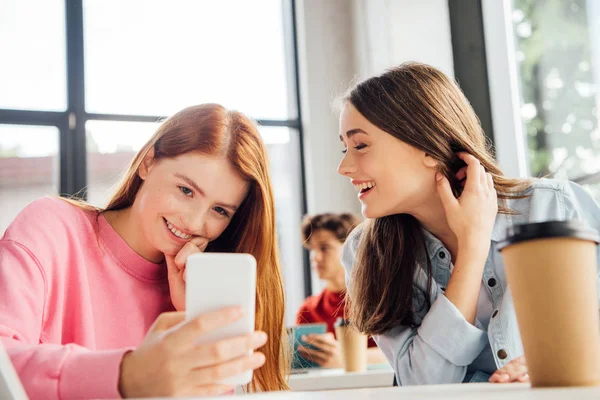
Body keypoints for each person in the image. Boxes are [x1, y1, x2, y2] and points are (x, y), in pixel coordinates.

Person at [337, 62, 600, 385]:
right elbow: (423, 386)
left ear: (426, 145)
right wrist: (472, 248)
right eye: (344, 148)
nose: (344, 167)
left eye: (360, 145)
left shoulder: (553, 207)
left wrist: (576, 361)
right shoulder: (366, 253)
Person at [0, 104, 289, 399]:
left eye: (219, 210)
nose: (194, 222)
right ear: (148, 162)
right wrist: (127, 374)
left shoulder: (191, 287)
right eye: (186, 191)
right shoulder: (52, 228)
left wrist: (193, 316)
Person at [296, 213, 386, 367]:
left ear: (351, 247)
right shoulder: (308, 310)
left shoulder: (379, 300)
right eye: (312, 249)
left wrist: (345, 357)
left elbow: (400, 354)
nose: (315, 257)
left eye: (324, 248)